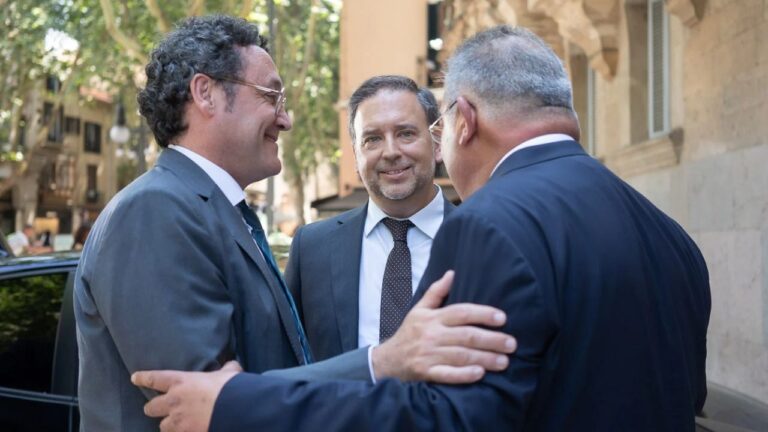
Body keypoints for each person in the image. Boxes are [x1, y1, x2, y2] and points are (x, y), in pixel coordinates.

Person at [133, 24, 711, 432]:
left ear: (462, 122)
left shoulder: (489, 227)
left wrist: (239, 405)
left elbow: (444, 417)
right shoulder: (672, 238)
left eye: (415, 132)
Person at [75, 16, 515, 431]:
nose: (285, 119)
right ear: (206, 93)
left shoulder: (216, 212)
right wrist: (383, 362)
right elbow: (208, 406)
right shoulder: (154, 210)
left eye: (406, 133)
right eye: (271, 96)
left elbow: (247, 391)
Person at [287, 75, 455, 361]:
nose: (390, 152)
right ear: (356, 155)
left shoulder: (483, 239)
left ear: (437, 143)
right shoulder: (312, 248)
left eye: (406, 134)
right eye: (372, 139)